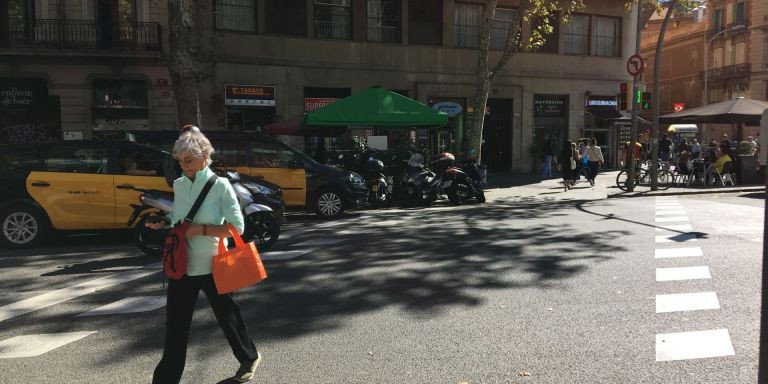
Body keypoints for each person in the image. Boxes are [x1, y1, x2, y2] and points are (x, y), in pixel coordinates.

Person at [147, 126, 262, 384]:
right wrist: (164, 221)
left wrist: (202, 230)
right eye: (180, 161)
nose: (183, 166)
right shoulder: (178, 184)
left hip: (213, 266)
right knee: (175, 328)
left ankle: (248, 356)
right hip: (182, 266)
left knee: (227, 317)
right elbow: (180, 219)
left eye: (188, 160)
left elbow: (237, 227)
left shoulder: (220, 186)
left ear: (204, 155)